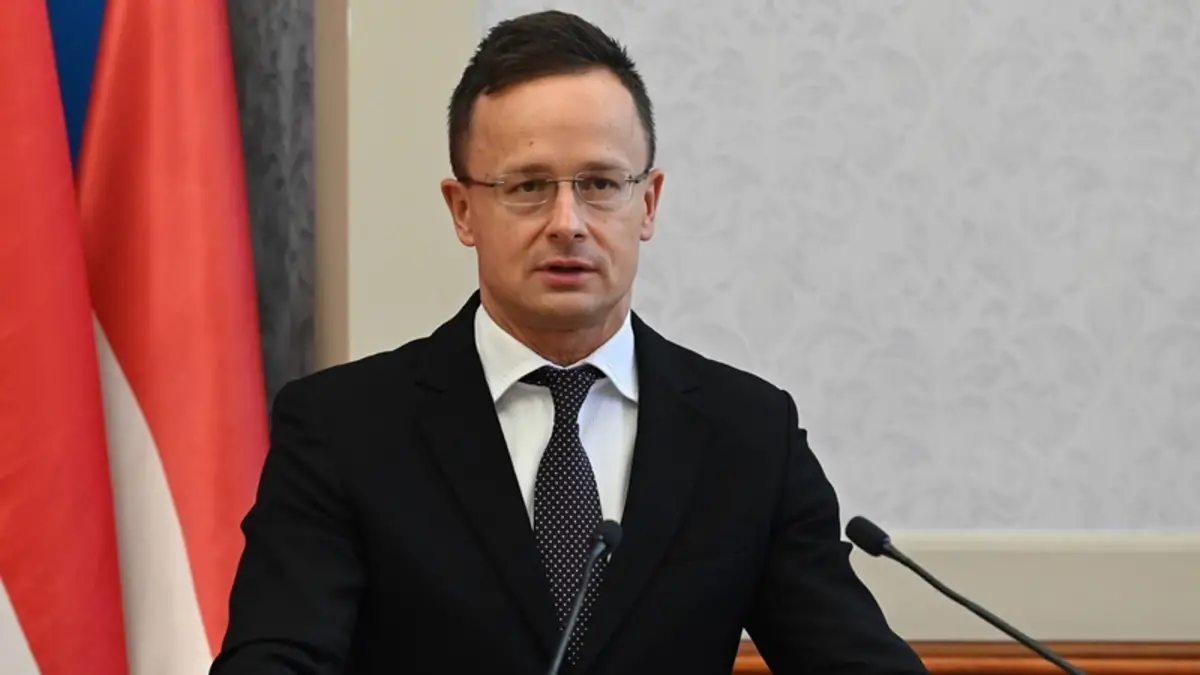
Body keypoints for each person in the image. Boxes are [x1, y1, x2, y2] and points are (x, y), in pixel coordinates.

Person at [211, 9, 928, 675]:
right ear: (463, 210)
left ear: (647, 204)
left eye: (600, 183)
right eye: (528, 186)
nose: (567, 222)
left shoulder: (747, 434)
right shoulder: (344, 429)